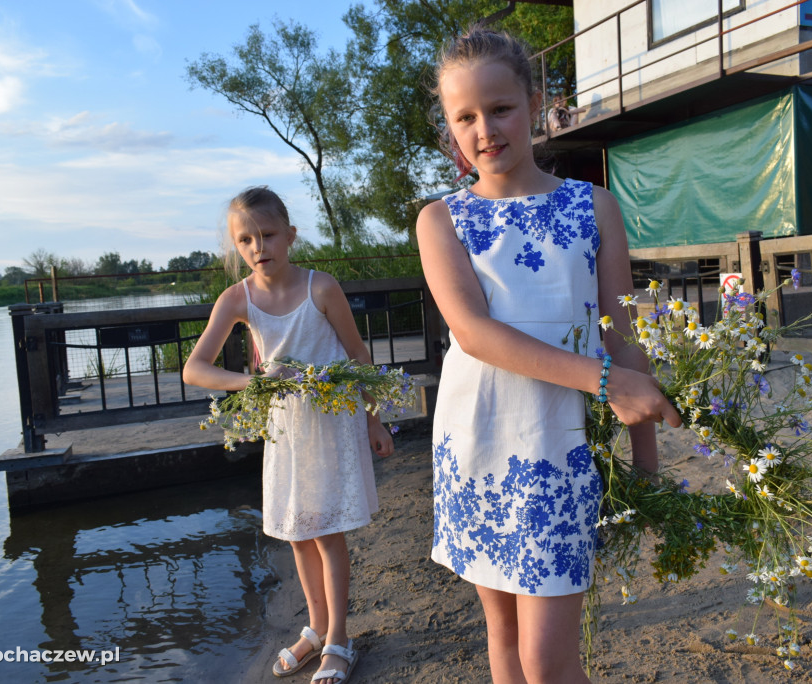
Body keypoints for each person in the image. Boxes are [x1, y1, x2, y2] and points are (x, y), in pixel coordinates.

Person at [416, 27, 681, 683]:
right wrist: (606, 381)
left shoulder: (596, 207)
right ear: (450, 129)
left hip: (558, 450)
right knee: (503, 642)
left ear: (534, 102)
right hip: (475, 444)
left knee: (548, 663)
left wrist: (646, 469)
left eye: (500, 108)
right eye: (465, 118)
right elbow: (474, 333)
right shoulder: (439, 219)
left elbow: (622, 335)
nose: (485, 130)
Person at [183, 186, 393, 684]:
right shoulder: (238, 298)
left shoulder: (321, 287)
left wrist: (372, 418)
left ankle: (340, 638)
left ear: (291, 235)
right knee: (298, 532)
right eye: (246, 240)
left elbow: (357, 356)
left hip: (332, 422)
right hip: (284, 430)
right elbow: (195, 369)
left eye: (268, 234)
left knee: (327, 533)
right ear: (237, 247)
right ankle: (317, 629)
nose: (259, 247)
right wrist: (252, 383)